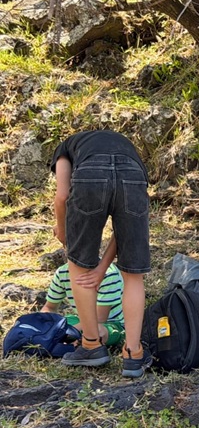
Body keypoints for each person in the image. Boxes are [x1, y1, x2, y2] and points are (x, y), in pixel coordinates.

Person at [51, 130, 152, 377]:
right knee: (133, 275)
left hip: (89, 177)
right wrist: (103, 268)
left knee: (78, 265)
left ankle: (91, 345)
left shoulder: (64, 148)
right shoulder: (127, 147)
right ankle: (133, 354)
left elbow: (62, 196)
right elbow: (123, 233)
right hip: (133, 175)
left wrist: (63, 231)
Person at [42, 263, 125, 347]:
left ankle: (79, 342)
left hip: (110, 323)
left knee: (98, 331)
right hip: (79, 320)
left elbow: (100, 318)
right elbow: (50, 307)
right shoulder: (62, 272)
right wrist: (41, 324)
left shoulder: (108, 273)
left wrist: (66, 332)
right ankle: (73, 341)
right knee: (58, 323)